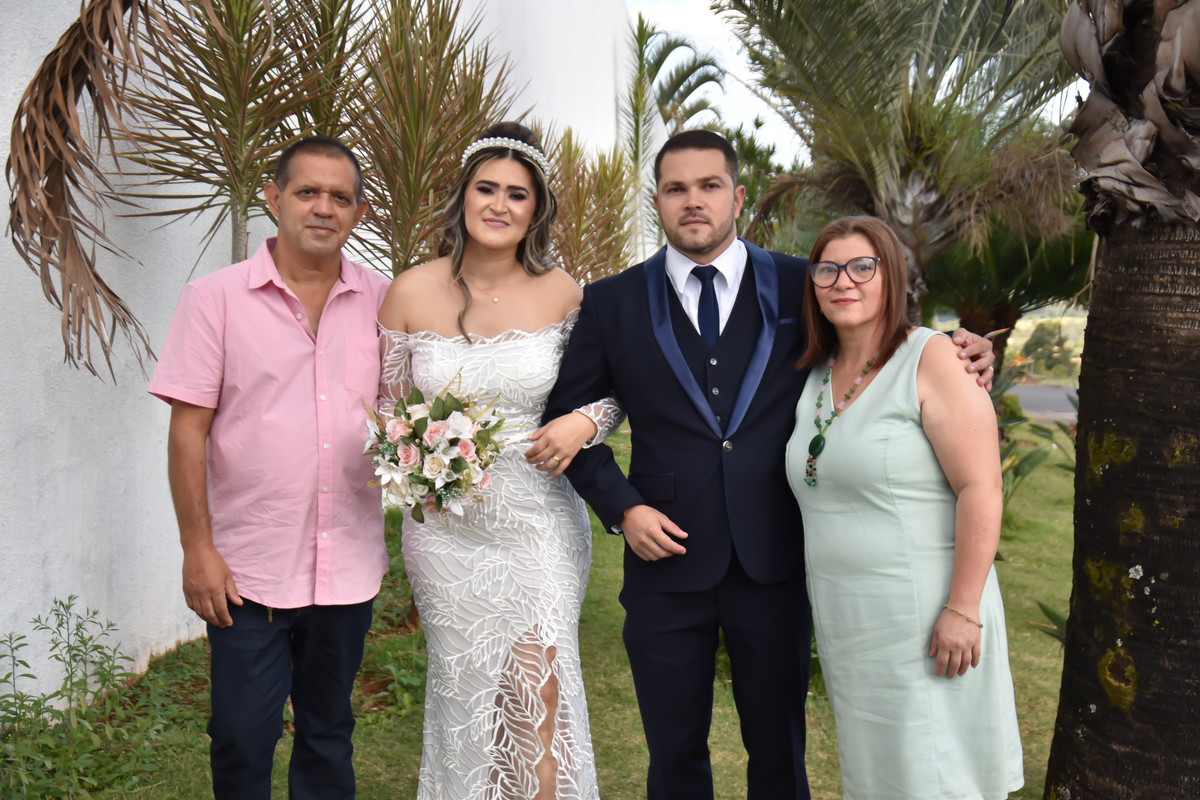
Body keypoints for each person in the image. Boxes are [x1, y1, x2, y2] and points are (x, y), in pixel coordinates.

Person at [542, 130, 997, 800]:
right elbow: (566, 419)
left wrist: (959, 347)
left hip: (777, 559)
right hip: (663, 563)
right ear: (657, 201)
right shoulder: (612, 300)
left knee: (781, 753)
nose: (692, 201)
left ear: (737, 197)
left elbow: (878, 341)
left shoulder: (800, 282)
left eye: (709, 186)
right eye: (675, 189)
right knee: (673, 754)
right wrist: (624, 508)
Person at [376, 121, 621, 800]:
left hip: (539, 520)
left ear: (536, 209)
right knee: (464, 694)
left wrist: (584, 422)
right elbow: (389, 409)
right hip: (446, 529)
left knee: (539, 691)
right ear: (463, 194)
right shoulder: (408, 291)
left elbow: (607, 395)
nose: (500, 204)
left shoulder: (564, 292)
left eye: (518, 194)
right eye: (487, 188)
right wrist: (416, 464)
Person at [149, 137, 387, 798]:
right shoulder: (215, 299)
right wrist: (197, 548)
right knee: (240, 736)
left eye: (340, 196)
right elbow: (188, 431)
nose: (324, 208)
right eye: (307, 192)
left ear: (360, 212)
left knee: (328, 733)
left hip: (347, 565)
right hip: (247, 571)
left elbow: (406, 414)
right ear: (274, 198)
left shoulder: (384, 301)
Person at [785, 216, 1023, 798]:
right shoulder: (814, 372)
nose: (844, 281)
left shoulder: (933, 358)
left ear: (891, 276)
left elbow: (981, 488)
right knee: (882, 775)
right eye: (827, 270)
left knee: (938, 774)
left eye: (862, 267)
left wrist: (963, 608)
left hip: (929, 613)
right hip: (852, 621)